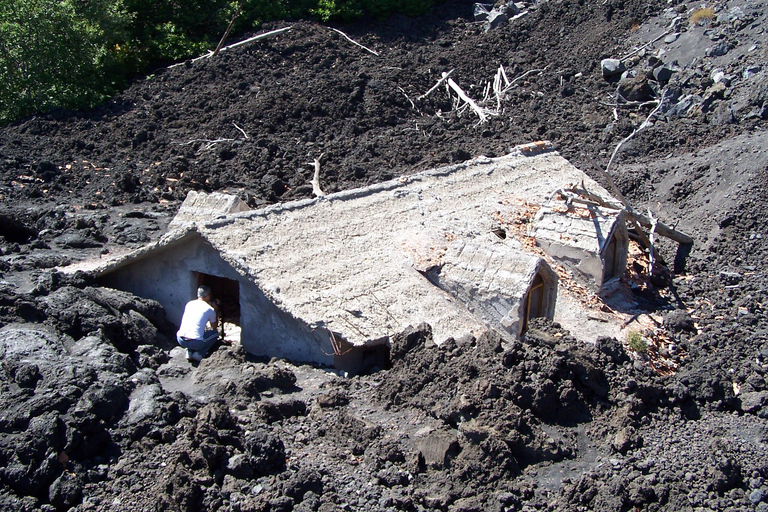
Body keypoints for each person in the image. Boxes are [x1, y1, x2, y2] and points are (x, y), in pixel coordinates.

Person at [177, 285, 220, 362]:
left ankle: (189, 352)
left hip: (180, 339)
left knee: (193, 330)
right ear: (208, 296)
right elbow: (214, 327)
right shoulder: (209, 309)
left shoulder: (189, 304)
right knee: (215, 334)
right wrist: (215, 310)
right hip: (196, 342)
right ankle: (199, 354)